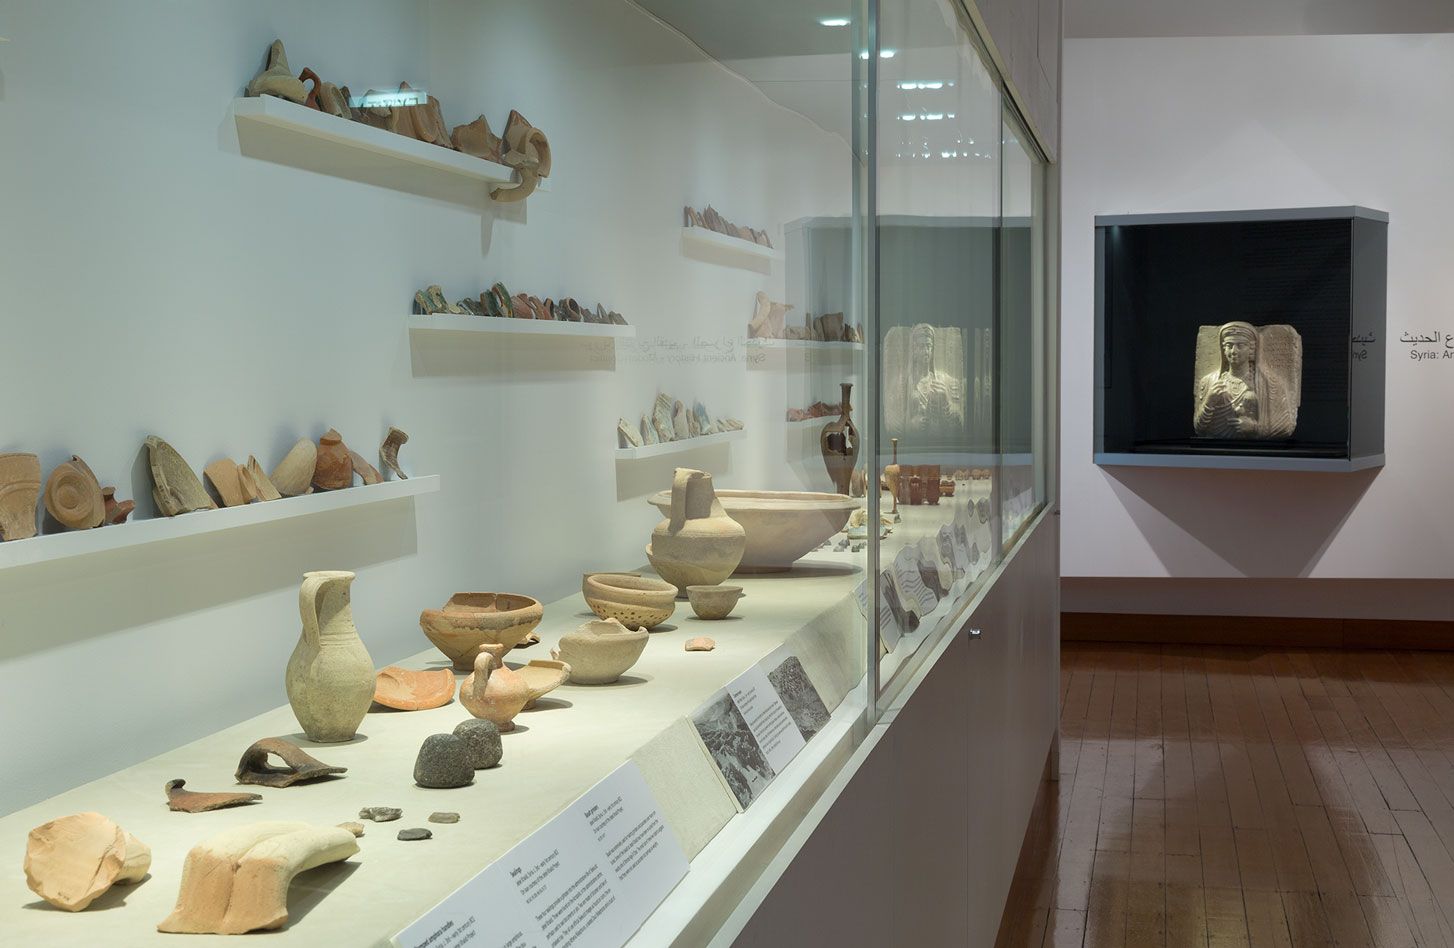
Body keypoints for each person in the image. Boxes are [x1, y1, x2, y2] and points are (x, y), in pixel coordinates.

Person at [1193, 321, 1295, 439]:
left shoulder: (1270, 384)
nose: (1234, 351)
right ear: (1223, 349)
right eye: (1229, 345)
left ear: (1251, 349)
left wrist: (1255, 427)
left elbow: (1285, 425)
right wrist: (1209, 402)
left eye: (1240, 345)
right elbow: (1199, 429)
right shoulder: (1208, 382)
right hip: (1217, 450)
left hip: (1258, 452)